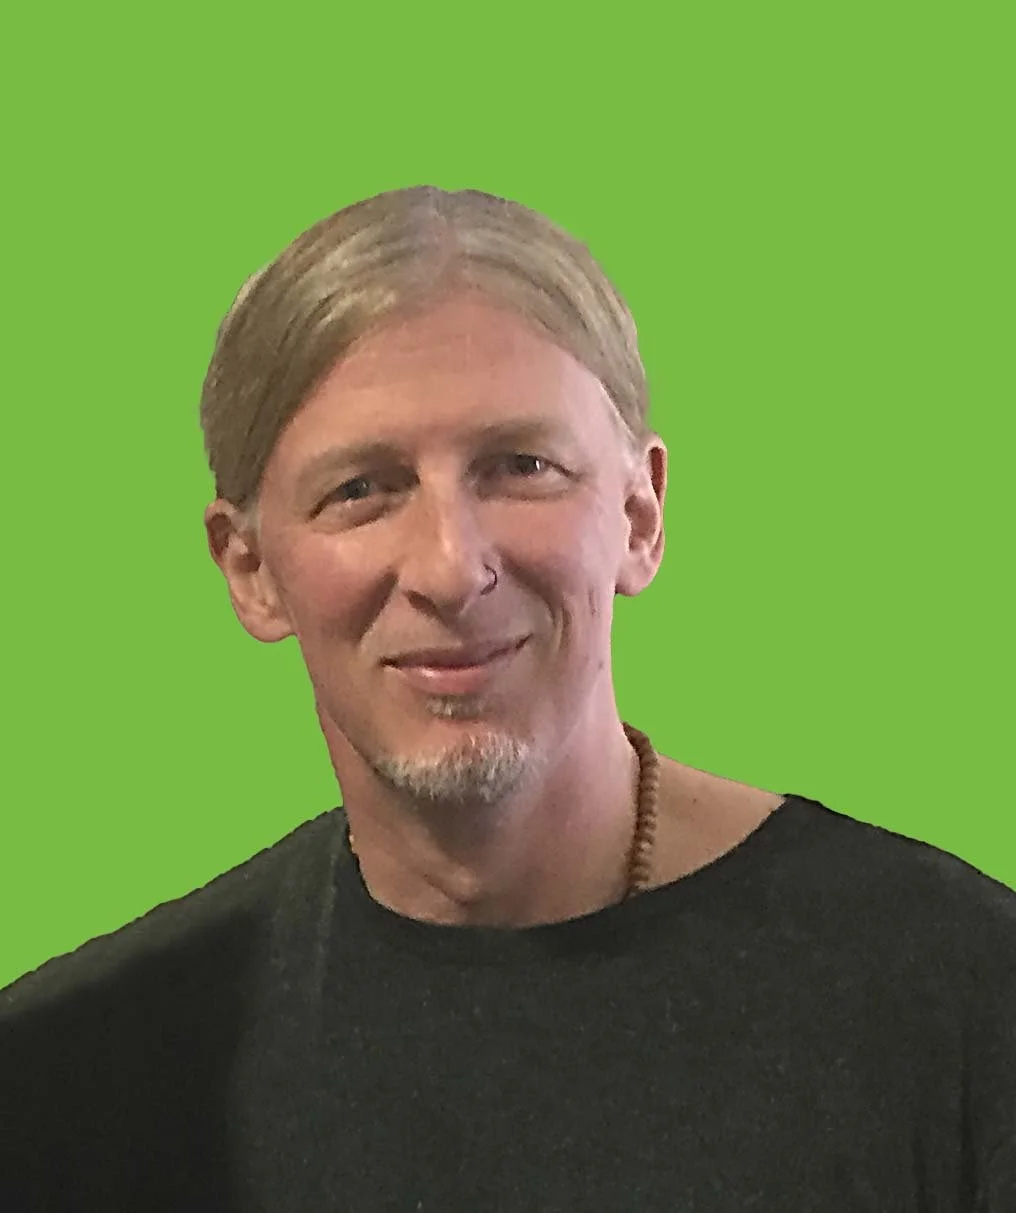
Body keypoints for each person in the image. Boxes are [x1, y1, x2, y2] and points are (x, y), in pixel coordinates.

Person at [1, 186, 1012, 1211]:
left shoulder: (960, 999)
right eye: (362, 488)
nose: (450, 567)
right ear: (250, 567)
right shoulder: (70, 1086)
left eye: (518, 467)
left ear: (638, 515)